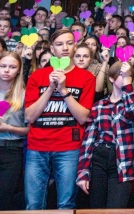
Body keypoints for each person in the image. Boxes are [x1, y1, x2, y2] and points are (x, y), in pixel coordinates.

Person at [24, 29, 96, 209]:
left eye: (69, 43)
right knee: (33, 204)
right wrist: (50, 88)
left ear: (75, 46)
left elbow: (82, 117)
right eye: (59, 44)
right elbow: (30, 116)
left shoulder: (86, 77)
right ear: (52, 48)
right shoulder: (37, 76)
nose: (65, 48)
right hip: (37, 146)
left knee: (66, 204)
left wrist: (63, 90)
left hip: (69, 148)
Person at [76, 61, 134, 208]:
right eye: (121, 75)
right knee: (97, 208)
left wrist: (127, 82)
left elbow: (132, 112)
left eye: (129, 75)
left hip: (122, 157)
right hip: (99, 156)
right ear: (112, 78)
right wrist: (83, 172)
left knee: (116, 208)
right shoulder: (99, 105)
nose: (125, 77)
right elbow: (88, 140)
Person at [0, 52, 30, 210]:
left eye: (12, 67)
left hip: (13, 149)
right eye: (3, 66)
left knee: (5, 197)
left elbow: (30, 130)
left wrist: (8, 128)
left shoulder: (24, 94)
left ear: (19, 70)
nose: (6, 70)